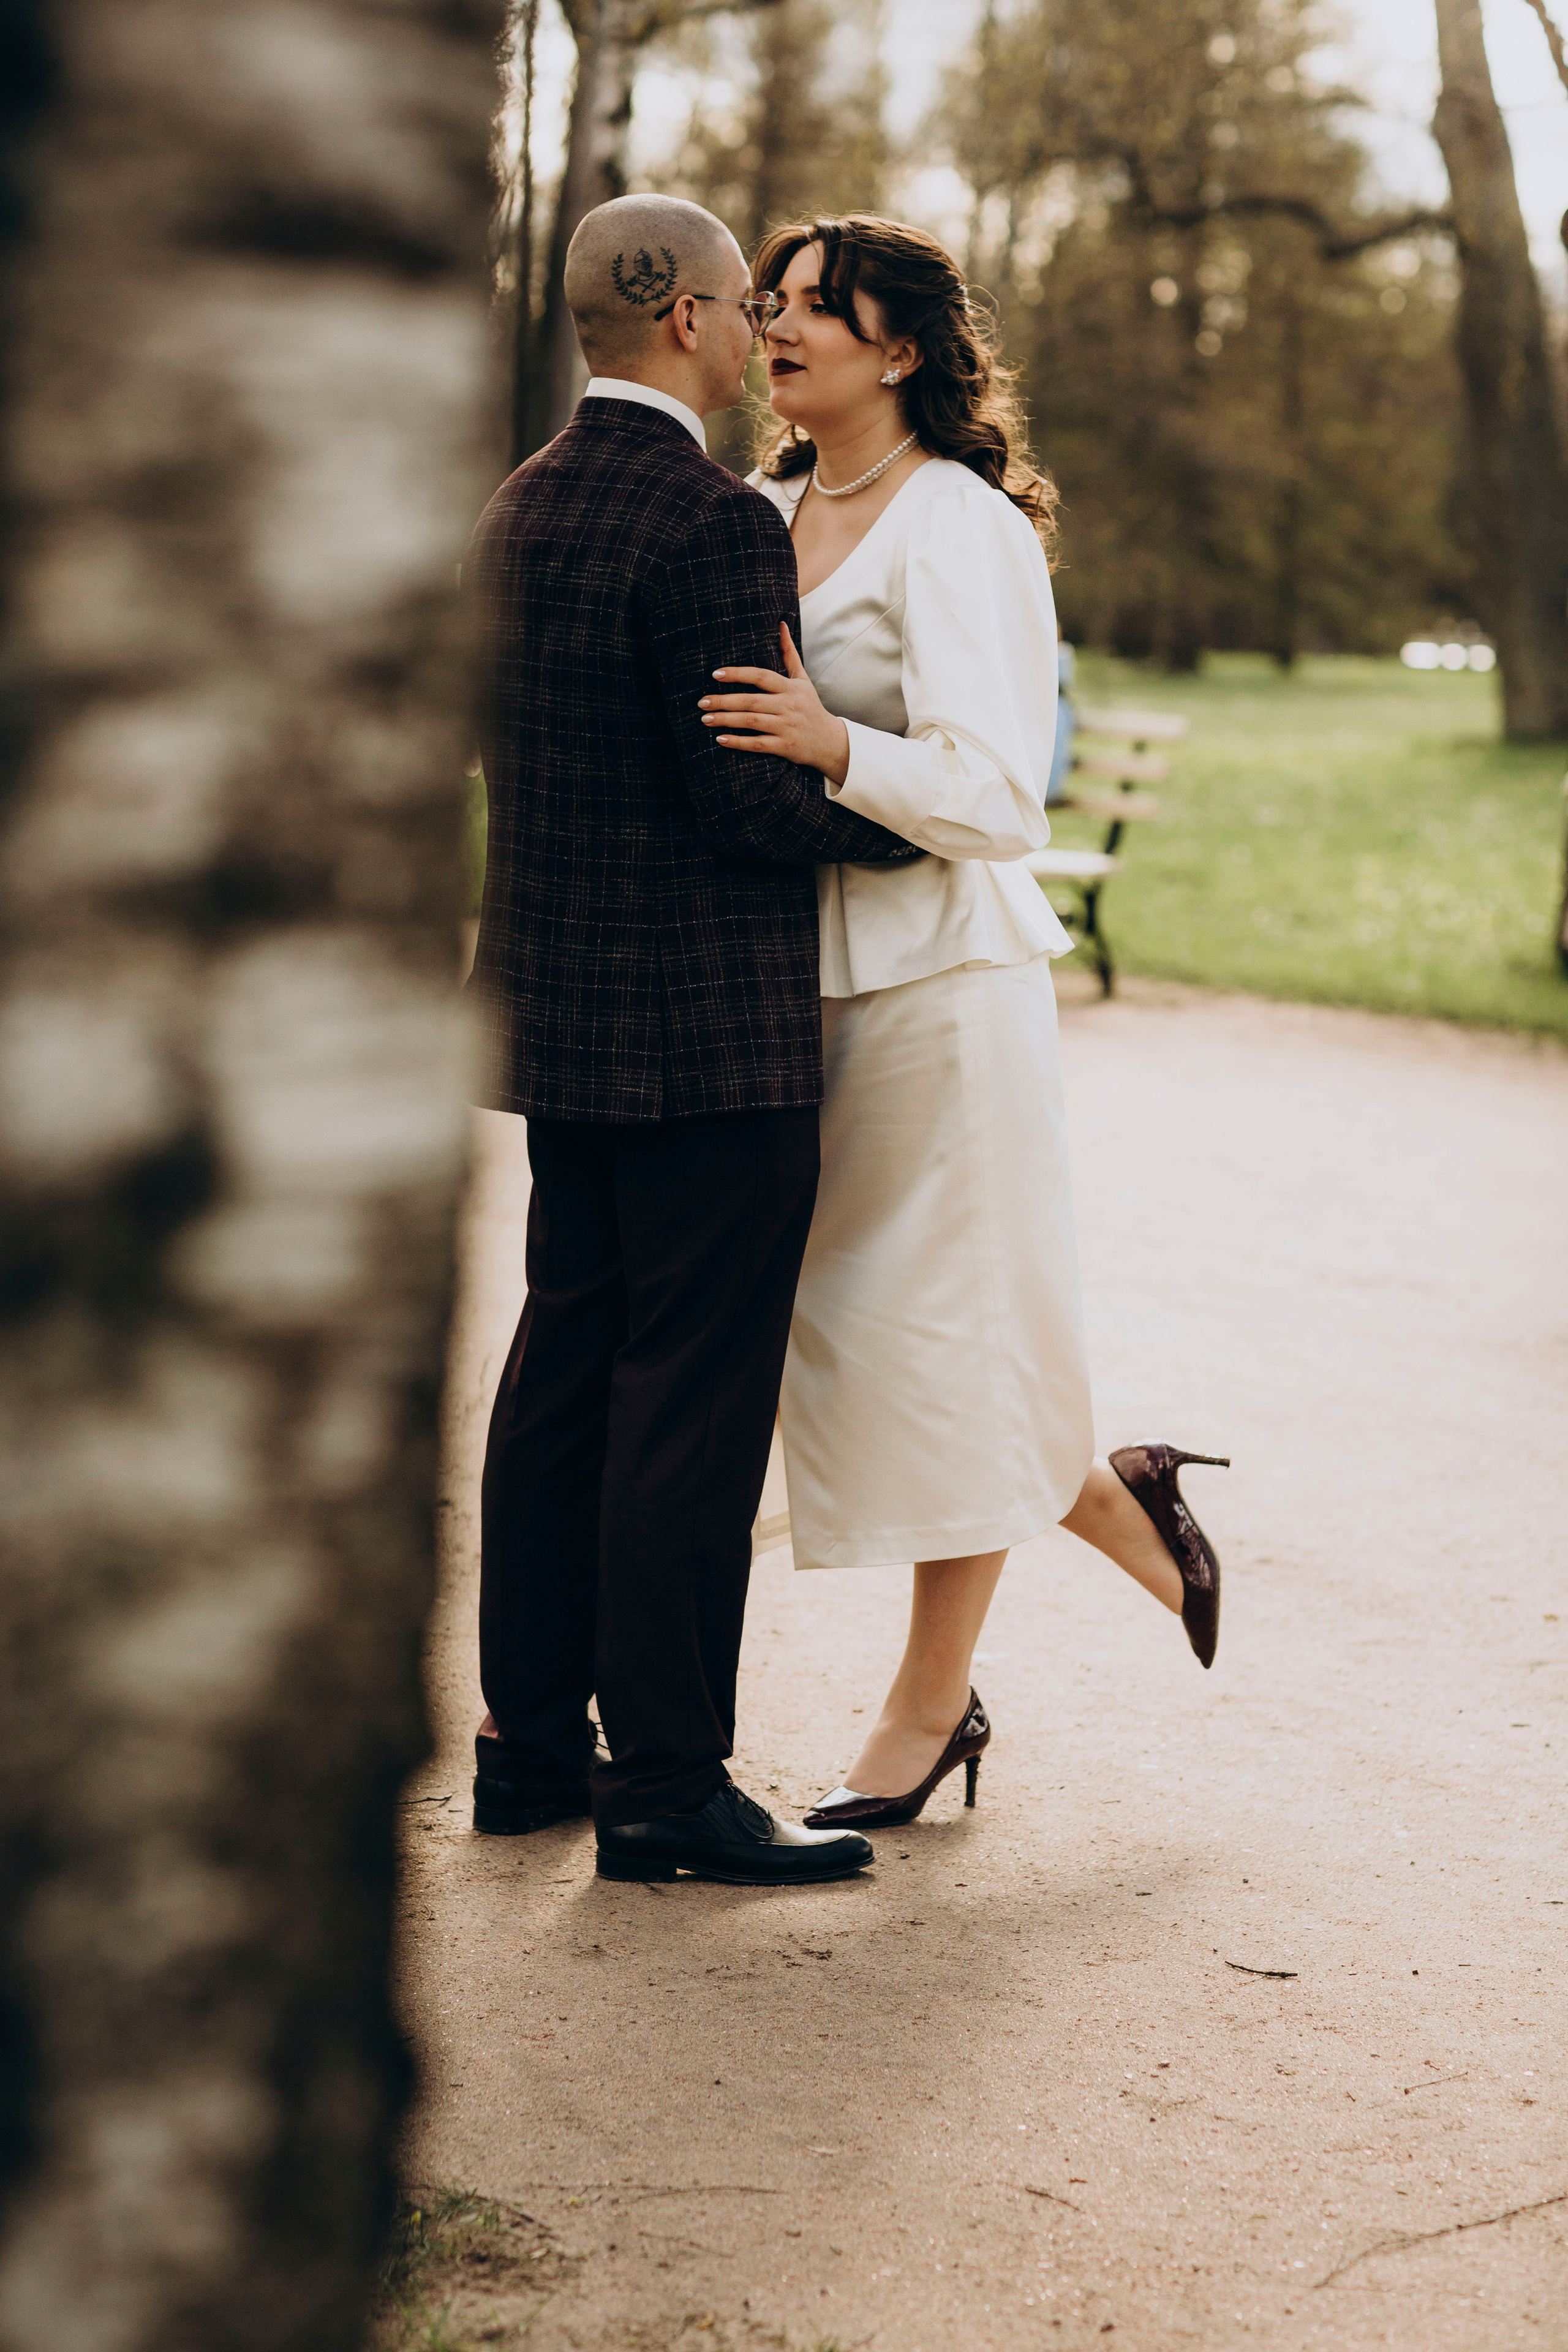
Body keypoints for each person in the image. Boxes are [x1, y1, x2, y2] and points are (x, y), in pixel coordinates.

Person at [699, 214, 1229, 1829]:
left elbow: (1003, 791)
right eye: (772, 305)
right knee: (849, 1333)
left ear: (905, 348)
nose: (778, 331)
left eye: (817, 311)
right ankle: (1109, 1489)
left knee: (940, 1334)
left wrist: (829, 744)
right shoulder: (763, 504)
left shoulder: (964, 526)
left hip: (942, 984)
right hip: (783, 982)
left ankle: (929, 1713)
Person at [464, 194, 926, 1885]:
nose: (758, 335)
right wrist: (904, 810)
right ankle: (665, 1782)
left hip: (558, 1020)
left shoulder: (515, 510)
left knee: (565, 1366)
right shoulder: (714, 521)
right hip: (713, 1044)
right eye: (746, 308)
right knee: (691, 1405)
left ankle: (527, 1743)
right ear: (686, 322)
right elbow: (750, 803)